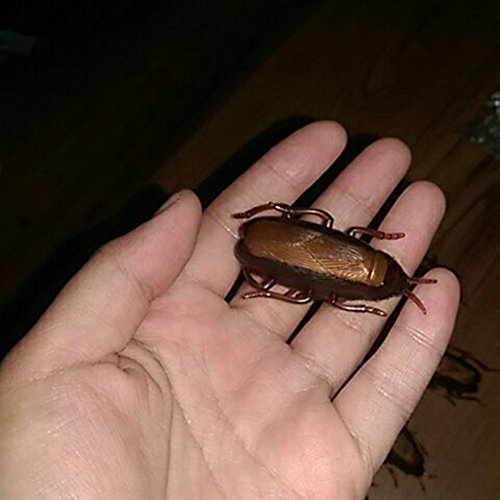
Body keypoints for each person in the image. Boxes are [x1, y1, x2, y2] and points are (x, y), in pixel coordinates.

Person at [0, 121, 459, 499]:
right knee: (310, 281)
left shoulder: (359, 262)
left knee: (313, 269)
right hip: (292, 253)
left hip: (295, 249)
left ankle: (274, 277)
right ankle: (271, 281)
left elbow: (339, 252)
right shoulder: (352, 280)